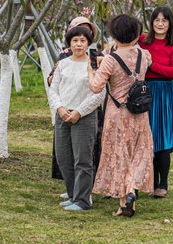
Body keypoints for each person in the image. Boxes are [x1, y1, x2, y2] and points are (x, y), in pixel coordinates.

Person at [88, 14, 154, 217]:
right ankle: (132, 190)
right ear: (136, 35)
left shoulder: (109, 60)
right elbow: (144, 61)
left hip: (117, 114)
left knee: (119, 156)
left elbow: (95, 87)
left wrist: (91, 70)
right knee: (138, 153)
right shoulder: (144, 55)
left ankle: (123, 202)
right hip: (139, 113)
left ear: (114, 35)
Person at [49, 25, 106, 211]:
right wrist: (59, 108)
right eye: (75, 40)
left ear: (89, 43)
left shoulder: (93, 65)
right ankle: (73, 195)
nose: (79, 44)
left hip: (84, 117)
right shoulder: (63, 64)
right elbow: (53, 89)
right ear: (69, 43)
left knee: (82, 159)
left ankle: (83, 200)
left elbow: (98, 94)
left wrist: (78, 112)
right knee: (64, 158)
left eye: (83, 41)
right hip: (63, 115)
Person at [139, 6, 173, 199]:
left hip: (165, 94)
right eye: (156, 20)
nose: (160, 23)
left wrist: (153, 66)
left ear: (170, 23)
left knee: (163, 138)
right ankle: (151, 182)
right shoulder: (142, 41)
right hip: (146, 92)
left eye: (164, 20)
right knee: (147, 137)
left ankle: (162, 184)